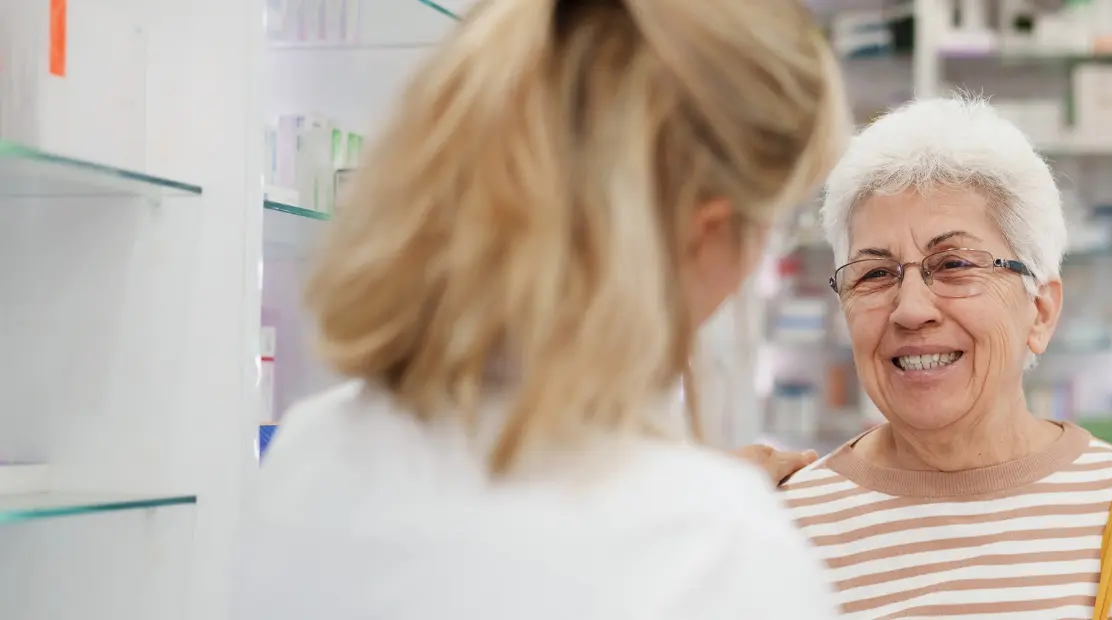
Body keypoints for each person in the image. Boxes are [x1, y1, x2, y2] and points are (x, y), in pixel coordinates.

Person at [231, 0, 848, 618]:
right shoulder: (722, 554)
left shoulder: (308, 453)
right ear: (703, 231)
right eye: (776, 219)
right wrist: (697, 503)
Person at [765, 97, 1112, 619]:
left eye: (952, 264)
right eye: (875, 274)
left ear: (1040, 312)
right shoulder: (779, 527)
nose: (910, 309)